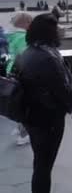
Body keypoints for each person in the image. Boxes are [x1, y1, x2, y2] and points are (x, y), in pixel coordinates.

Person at [16, 14, 72, 193]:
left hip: (32, 118)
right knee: (44, 167)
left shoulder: (27, 53)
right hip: (48, 120)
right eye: (55, 28)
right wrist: (68, 105)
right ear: (48, 33)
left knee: (40, 164)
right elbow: (62, 91)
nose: (59, 31)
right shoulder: (48, 57)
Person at [6, 12, 33, 146]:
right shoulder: (23, 37)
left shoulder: (13, 35)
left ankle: (18, 128)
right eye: (30, 22)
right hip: (21, 74)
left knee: (21, 102)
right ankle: (23, 135)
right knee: (27, 105)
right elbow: (26, 57)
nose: (32, 25)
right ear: (24, 23)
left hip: (12, 71)